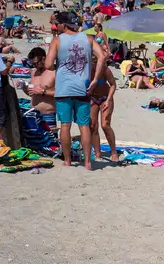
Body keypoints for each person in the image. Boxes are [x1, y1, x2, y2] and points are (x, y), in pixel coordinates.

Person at [45, 11, 105, 170]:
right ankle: (87, 162)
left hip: (64, 88)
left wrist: (58, 64)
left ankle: (67, 160)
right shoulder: (89, 39)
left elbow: (48, 64)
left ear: (64, 25)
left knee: (65, 125)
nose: (56, 26)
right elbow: (102, 57)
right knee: (84, 126)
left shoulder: (57, 41)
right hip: (83, 88)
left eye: (58, 24)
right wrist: (94, 79)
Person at [19, 46, 56, 129]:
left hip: (48, 114)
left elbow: (61, 93)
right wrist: (24, 88)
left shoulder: (53, 73)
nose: (34, 65)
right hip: (33, 114)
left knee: (51, 140)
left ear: (43, 58)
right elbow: (32, 94)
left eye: (36, 63)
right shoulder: (33, 72)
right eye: (32, 64)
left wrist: (43, 92)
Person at [89, 60, 118, 162]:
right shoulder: (85, 70)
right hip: (92, 98)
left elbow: (113, 85)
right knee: (92, 125)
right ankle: (97, 153)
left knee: (105, 125)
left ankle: (113, 151)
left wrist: (109, 99)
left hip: (105, 97)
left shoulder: (104, 69)